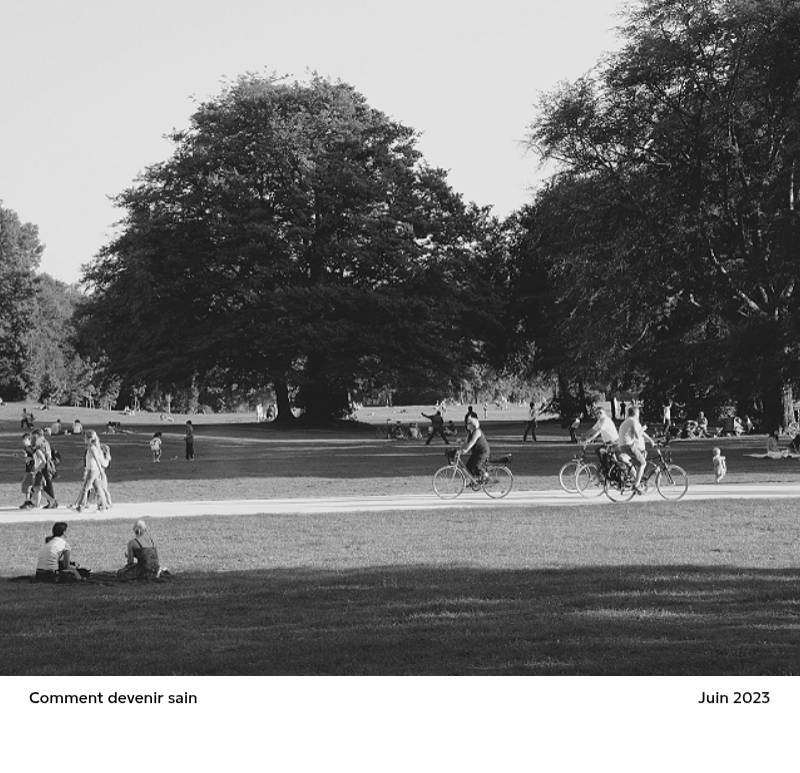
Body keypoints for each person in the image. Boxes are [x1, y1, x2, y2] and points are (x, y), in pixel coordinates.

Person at [618, 405, 655, 493]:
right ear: (636, 413)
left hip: (622, 446)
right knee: (643, 463)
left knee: (636, 463)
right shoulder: (633, 421)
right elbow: (637, 436)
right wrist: (643, 428)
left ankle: (632, 476)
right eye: (638, 413)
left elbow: (638, 433)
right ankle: (637, 485)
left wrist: (649, 439)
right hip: (628, 445)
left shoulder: (627, 421)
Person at [70, 430, 108, 512]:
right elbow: (86, 460)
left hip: (92, 471)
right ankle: (103, 506)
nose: (84, 439)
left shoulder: (92, 448)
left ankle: (81, 507)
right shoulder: (90, 448)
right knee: (97, 488)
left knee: (85, 488)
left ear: (89, 439)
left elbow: (97, 460)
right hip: (92, 470)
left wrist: (101, 472)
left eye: (85, 438)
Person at [31, 430, 58, 509]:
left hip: (45, 466)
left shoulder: (42, 442)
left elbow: (46, 456)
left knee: (46, 485)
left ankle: (52, 502)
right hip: (46, 465)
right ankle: (51, 502)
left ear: (38, 435)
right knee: (44, 485)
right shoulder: (45, 442)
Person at [461, 416, 490, 485]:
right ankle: (474, 481)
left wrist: (466, 450)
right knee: (468, 467)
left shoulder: (477, 432)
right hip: (476, 452)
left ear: (473, 425)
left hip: (483, 452)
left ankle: (487, 477)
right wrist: (460, 450)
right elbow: (465, 443)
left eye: (468, 423)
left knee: (477, 466)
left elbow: (472, 442)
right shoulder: (469, 433)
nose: (467, 425)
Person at [20, 433, 36, 510]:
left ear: (29, 440)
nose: (23, 441)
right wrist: (20, 456)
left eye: (25, 439)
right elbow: (26, 460)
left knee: (28, 486)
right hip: (28, 469)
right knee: (27, 486)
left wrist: (30, 458)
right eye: (23, 439)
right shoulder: (26, 448)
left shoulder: (30, 448)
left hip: (32, 469)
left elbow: (36, 457)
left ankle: (29, 502)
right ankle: (28, 501)